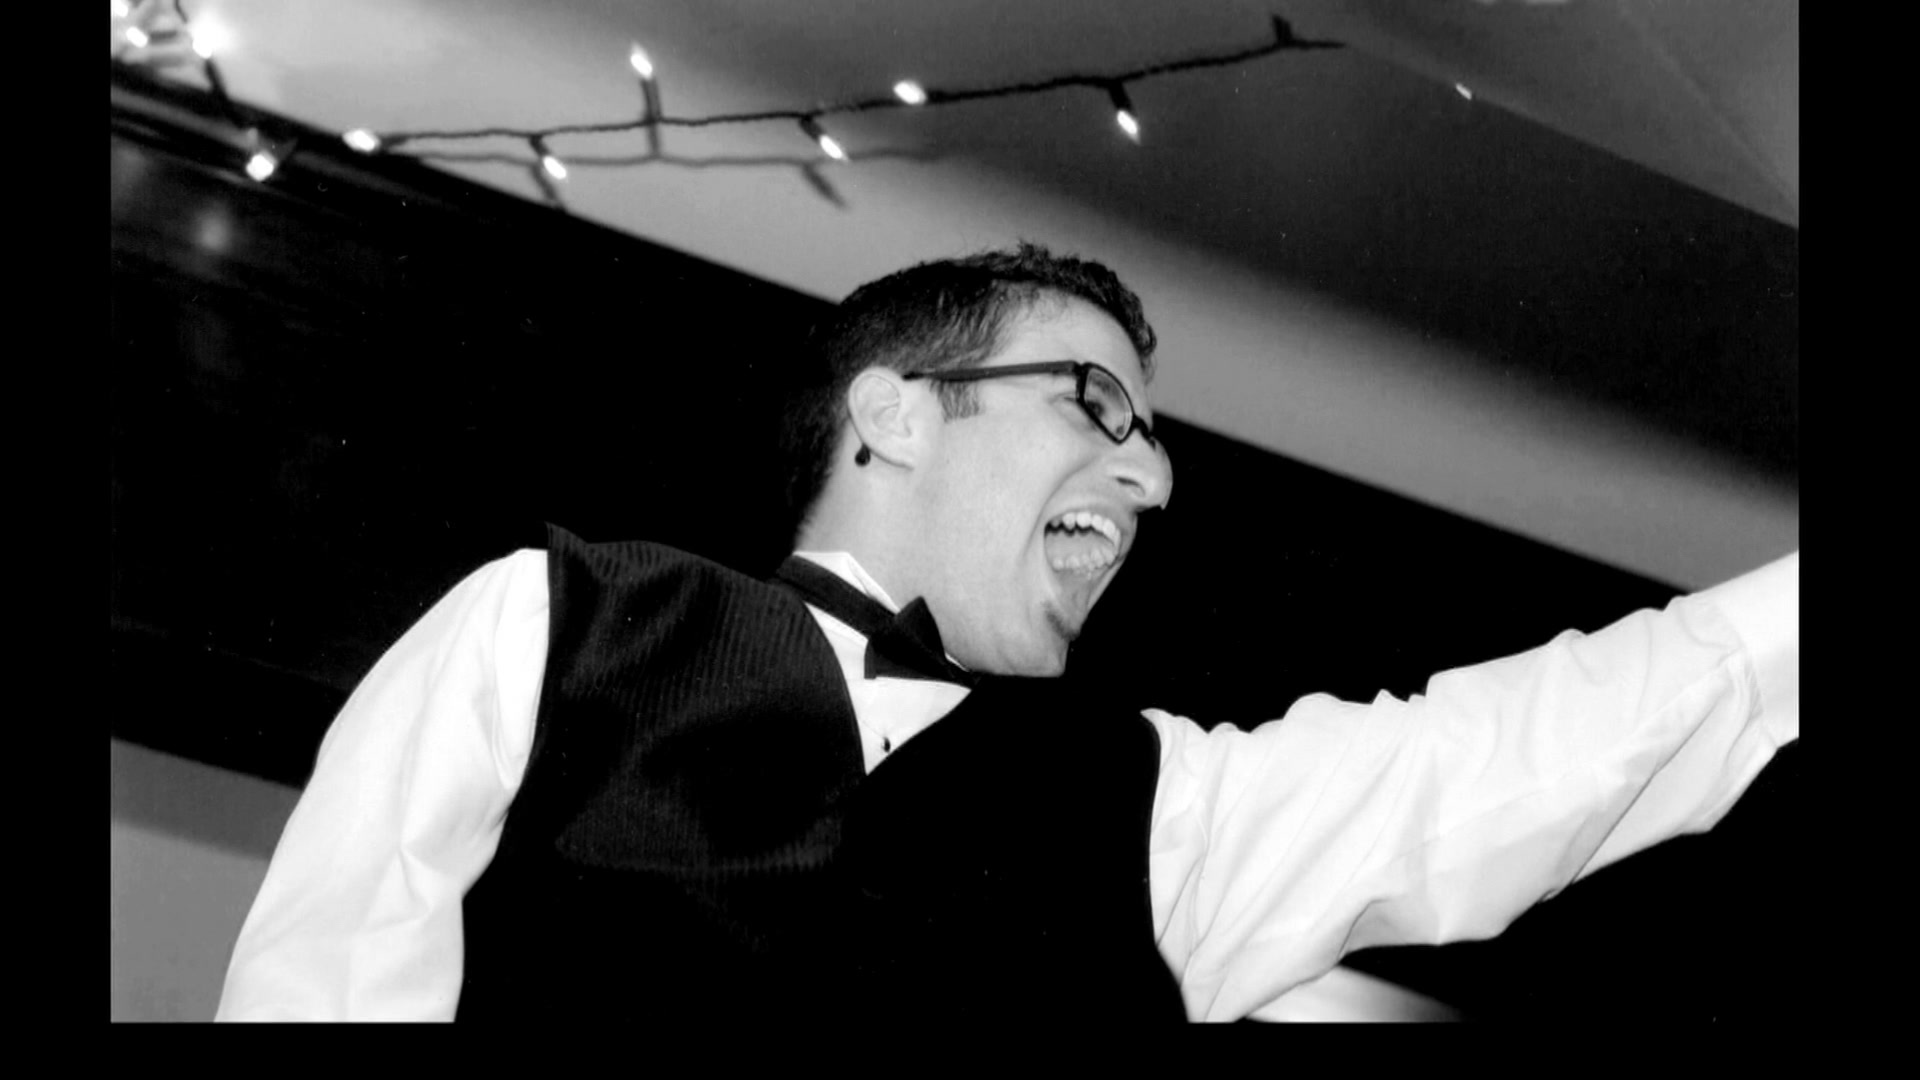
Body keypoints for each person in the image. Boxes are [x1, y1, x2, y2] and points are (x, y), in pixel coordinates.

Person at [215, 243, 1798, 1022]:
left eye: (1155, 442)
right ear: (895, 416)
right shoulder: (561, 624)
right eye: (1094, 402)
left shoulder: (1157, 809)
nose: (1152, 477)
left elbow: (1525, 753)